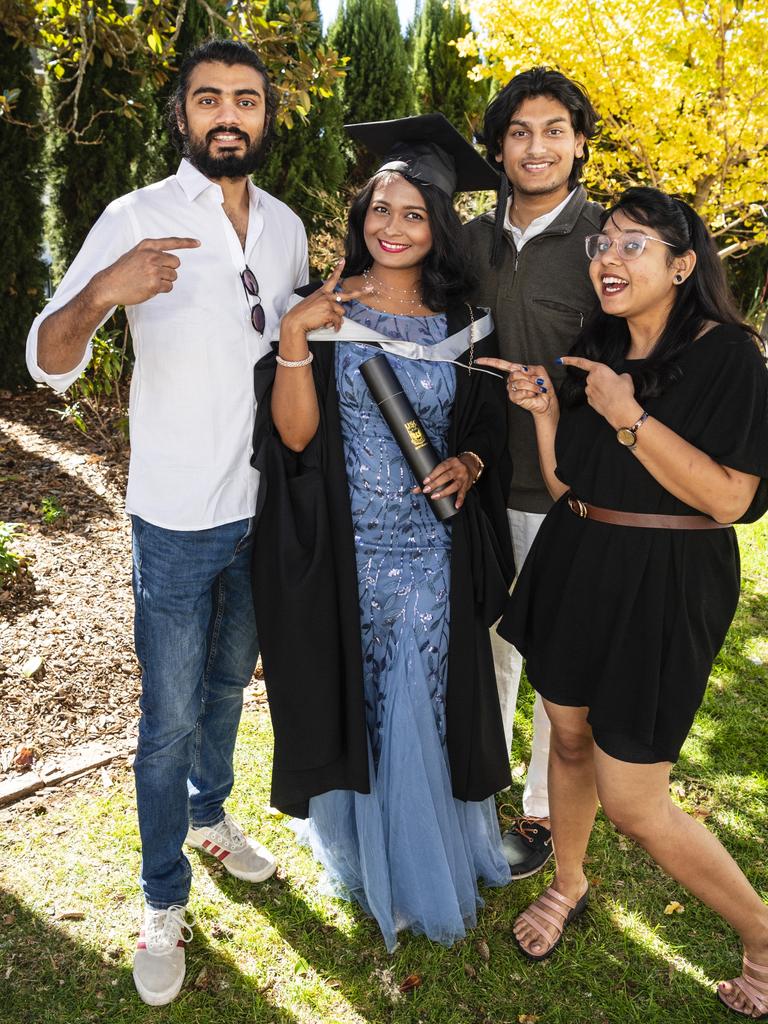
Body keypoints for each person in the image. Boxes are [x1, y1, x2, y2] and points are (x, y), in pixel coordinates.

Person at [25, 39, 308, 1006]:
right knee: (169, 716)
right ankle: (160, 900)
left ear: (267, 117)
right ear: (182, 113)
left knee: (231, 683)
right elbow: (46, 358)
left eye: (247, 100)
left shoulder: (284, 227)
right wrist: (107, 289)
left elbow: (289, 350)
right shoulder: (135, 216)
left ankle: (210, 816)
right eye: (208, 99)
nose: (228, 114)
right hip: (177, 517)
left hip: (261, 509)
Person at [477, 187, 768, 1019]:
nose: (609, 257)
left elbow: (727, 500)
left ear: (683, 266)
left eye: (633, 245)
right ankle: (569, 881)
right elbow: (572, 481)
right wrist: (543, 412)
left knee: (638, 802)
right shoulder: (599, 348)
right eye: (604, 243)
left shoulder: (729, 358)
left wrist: (630, 415)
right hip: (580, 557)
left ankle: (760, 932)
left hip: (666, 581)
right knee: (566, 740)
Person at [250, 114, 515, 951]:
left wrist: (468, 466)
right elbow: (292, 438)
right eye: (380, 210)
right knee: (357, 696)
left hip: (431, 552)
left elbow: (484, 432)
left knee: (422, 694)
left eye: (413, 214)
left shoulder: (464, 325)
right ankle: (372, 856)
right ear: (361, 214)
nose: (392, 228)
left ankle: (425, 857)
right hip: (345, 551)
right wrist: (297, 333)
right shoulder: (322, 309)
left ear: (437, 226)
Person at [463, 67, 603, 878]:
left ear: (579, 143)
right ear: (500, 148)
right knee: (488, 648)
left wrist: (571, 393)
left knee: (557, 656)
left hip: (564, 486)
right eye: (520, 131)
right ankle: (478, 795)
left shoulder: (601, 242)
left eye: (554, 130)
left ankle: (546, 814)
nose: (537, 146)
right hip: (477, 477)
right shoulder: (471, 240)